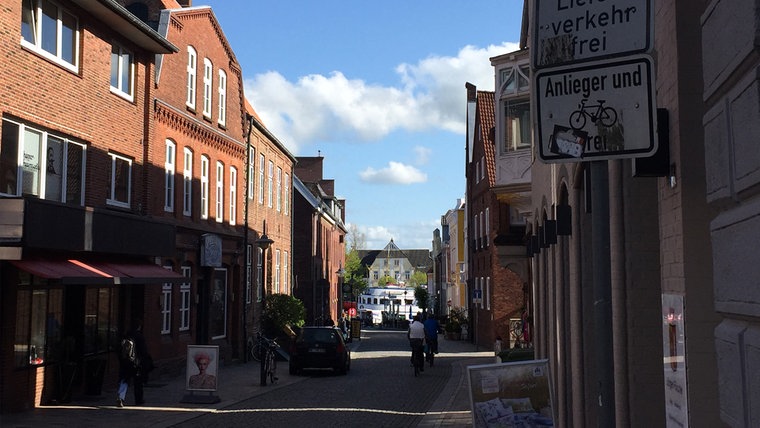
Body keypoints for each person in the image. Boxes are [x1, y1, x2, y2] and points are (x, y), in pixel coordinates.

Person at [117, 320, 150, 407]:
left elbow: (120, 349)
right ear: (139, 327)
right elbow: (144, 351)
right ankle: (139, 400)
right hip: (136, 363)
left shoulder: (126, 335)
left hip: (125, 362)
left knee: (124, 380)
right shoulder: (140, 337)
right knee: (138, 382)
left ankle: (120, 397)